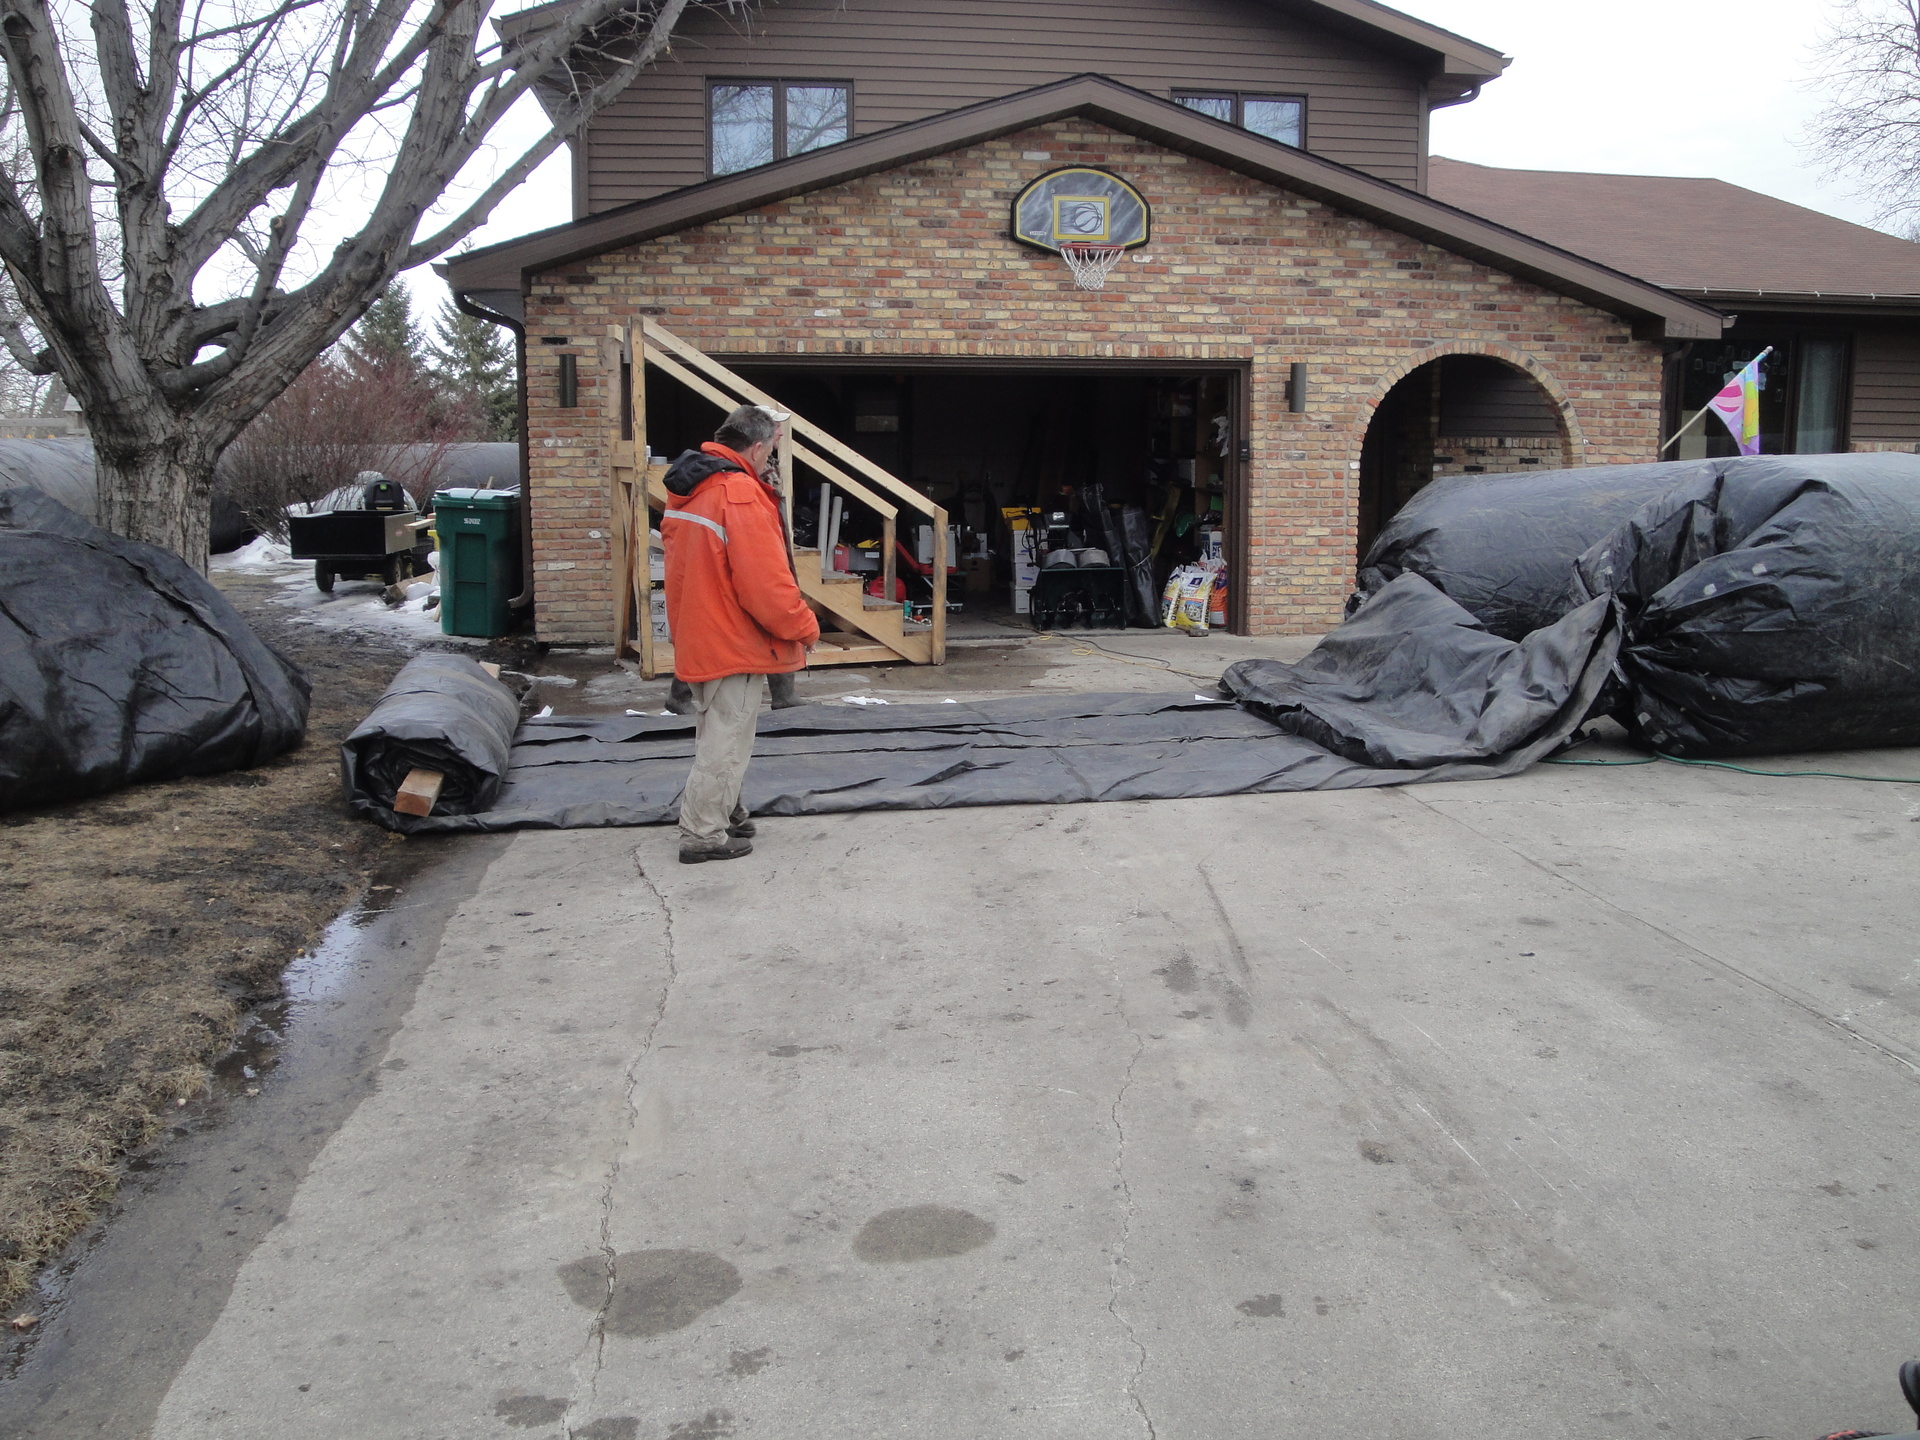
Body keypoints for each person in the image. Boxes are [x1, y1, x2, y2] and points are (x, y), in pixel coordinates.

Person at [660, 404, 819, 863]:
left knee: (718, 730)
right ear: (753, 447)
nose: (772, 457)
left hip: (701, 630)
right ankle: (703, 834)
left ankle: (726, 814)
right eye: (770, 448)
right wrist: (804, 627)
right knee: (726, 741)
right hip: (733, 639)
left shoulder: (693, 487)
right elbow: (766, 587)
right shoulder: (739, 495)